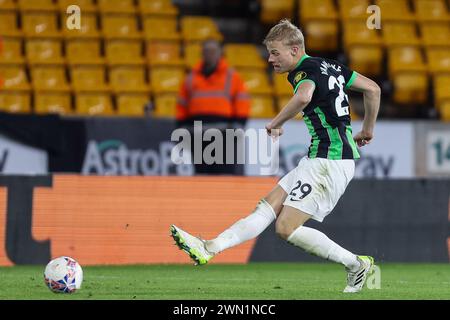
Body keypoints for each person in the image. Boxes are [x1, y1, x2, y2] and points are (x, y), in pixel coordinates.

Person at [170, 19, 381, 293]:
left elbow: (304, 97)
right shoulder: (332, 66)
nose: (270, 59)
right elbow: (373, 89)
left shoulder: (302, 72)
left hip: (328, 162)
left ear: (295, 50)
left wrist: (277, 122)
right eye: (269, 52)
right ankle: (209, 247)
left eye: (275, 52)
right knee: (267, 208)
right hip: (320, 158)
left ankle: (355, 264)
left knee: (285, 229)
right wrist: (367, 129)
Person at [176, 39, 250, 175]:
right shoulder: (191, 78)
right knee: (201, 174)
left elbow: (242, 101)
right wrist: (181, 127)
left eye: (213, 51)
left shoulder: (232, 76)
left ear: (220, 53)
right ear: (202, 54)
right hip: (197, 135)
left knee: (225, 175)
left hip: (224, 135)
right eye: (207, 51)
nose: (210, 54)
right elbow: (182, 104)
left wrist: (238, 125)